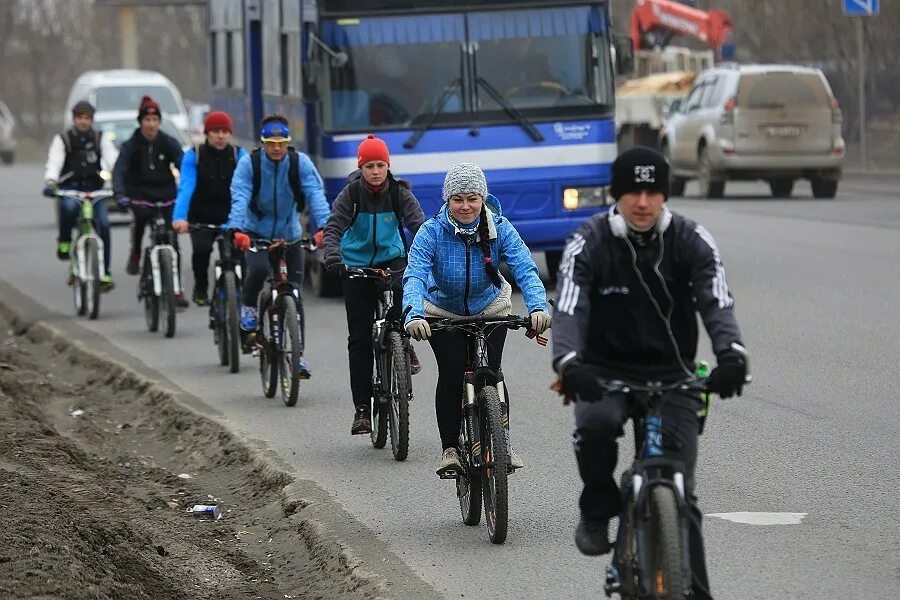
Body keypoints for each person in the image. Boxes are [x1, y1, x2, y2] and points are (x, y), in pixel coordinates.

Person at [551, 146, 748, 599]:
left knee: (681, 490)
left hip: (675, 374)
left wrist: (732, 355)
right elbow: (567, 307)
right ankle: (599, 503)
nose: (643, 201)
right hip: (604, 371)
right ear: (616, 196)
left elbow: (717, 301)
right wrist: (568, 362)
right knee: (596, 426)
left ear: (665, 195)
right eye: (633, 192)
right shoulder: (591, 240)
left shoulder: (692, 239)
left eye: (653, 191)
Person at [402, 163, 551, 476]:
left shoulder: (500, 227)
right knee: (453, 372)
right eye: (458, 199)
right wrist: (413, 313)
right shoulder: (431, 231)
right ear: (447, 201)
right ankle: (450, 449)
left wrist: (538, 307)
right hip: (443, 313)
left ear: (483, 198)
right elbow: (415, 274)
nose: (465, 206)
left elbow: (525, 267)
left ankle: (502, 442)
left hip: (490, 307)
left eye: (472, 198)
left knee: (492, 374)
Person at [323, 134, 425, 435]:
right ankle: (362, 410)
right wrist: (332, 257)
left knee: (401, 299)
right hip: (356, 266)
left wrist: (427, 255)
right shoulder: (351, 195)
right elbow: (333, 228)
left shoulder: (399, 193)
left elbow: (420, 226)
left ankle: (402, 344)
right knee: (359, 340)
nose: (376, 171)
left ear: (388, 165)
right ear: (361, 167)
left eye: (381, 164)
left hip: (392, 261)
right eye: (370, 165)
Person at [224, 114, 331, 378]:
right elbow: (239, 197)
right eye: (270, 143)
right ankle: (248, 309)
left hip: (290, 234)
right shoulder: (250, 164)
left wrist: (325, 227)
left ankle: (298, 356)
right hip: (255, 233)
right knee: (258, 271)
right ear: (262, 143)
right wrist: (237, 230)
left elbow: (316, 195)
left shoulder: (299, 163)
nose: (275, 148)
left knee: (294, 294)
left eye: (281, 142)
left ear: (287, 142)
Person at [113, 95, 187, 306]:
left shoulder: (168, 142)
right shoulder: (131, 145)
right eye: (147, 120)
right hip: (140, 195)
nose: (151, 125)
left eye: (155, 120)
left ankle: (177, 288)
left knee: (173, 241)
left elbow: (183, 165)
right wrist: (121, 194)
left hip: (166, 195)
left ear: (159, 122)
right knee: (141, 221)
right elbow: (120, 170)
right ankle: (136, 252)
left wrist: (188, 192)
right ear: (141, 122)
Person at [172, 111, 248, 305]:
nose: (221, 136)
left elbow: (248, 187)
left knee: (238, 255)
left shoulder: (239, 154)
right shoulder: (194, 155)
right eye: (215, 131)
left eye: (224, 131)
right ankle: (201, 287)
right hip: (201, 215)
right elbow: (186, 186)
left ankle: (240, 294)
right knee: (202, 250)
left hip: (231, 216)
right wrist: (179, 217)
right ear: (207, 133)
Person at [43, 100, 118, 291]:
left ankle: (105, 272)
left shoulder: (100, 138)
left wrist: (119, 181)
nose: (83, 122)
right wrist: (51, 181)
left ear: (92, 120)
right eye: (79, 118)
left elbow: (113, 161)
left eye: (87, 118)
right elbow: (54, 162)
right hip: (71, 188)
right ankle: (65, 242)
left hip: (95, 189)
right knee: (67, 209)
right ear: (74, 119)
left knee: (104, 225)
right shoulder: (64, 139)